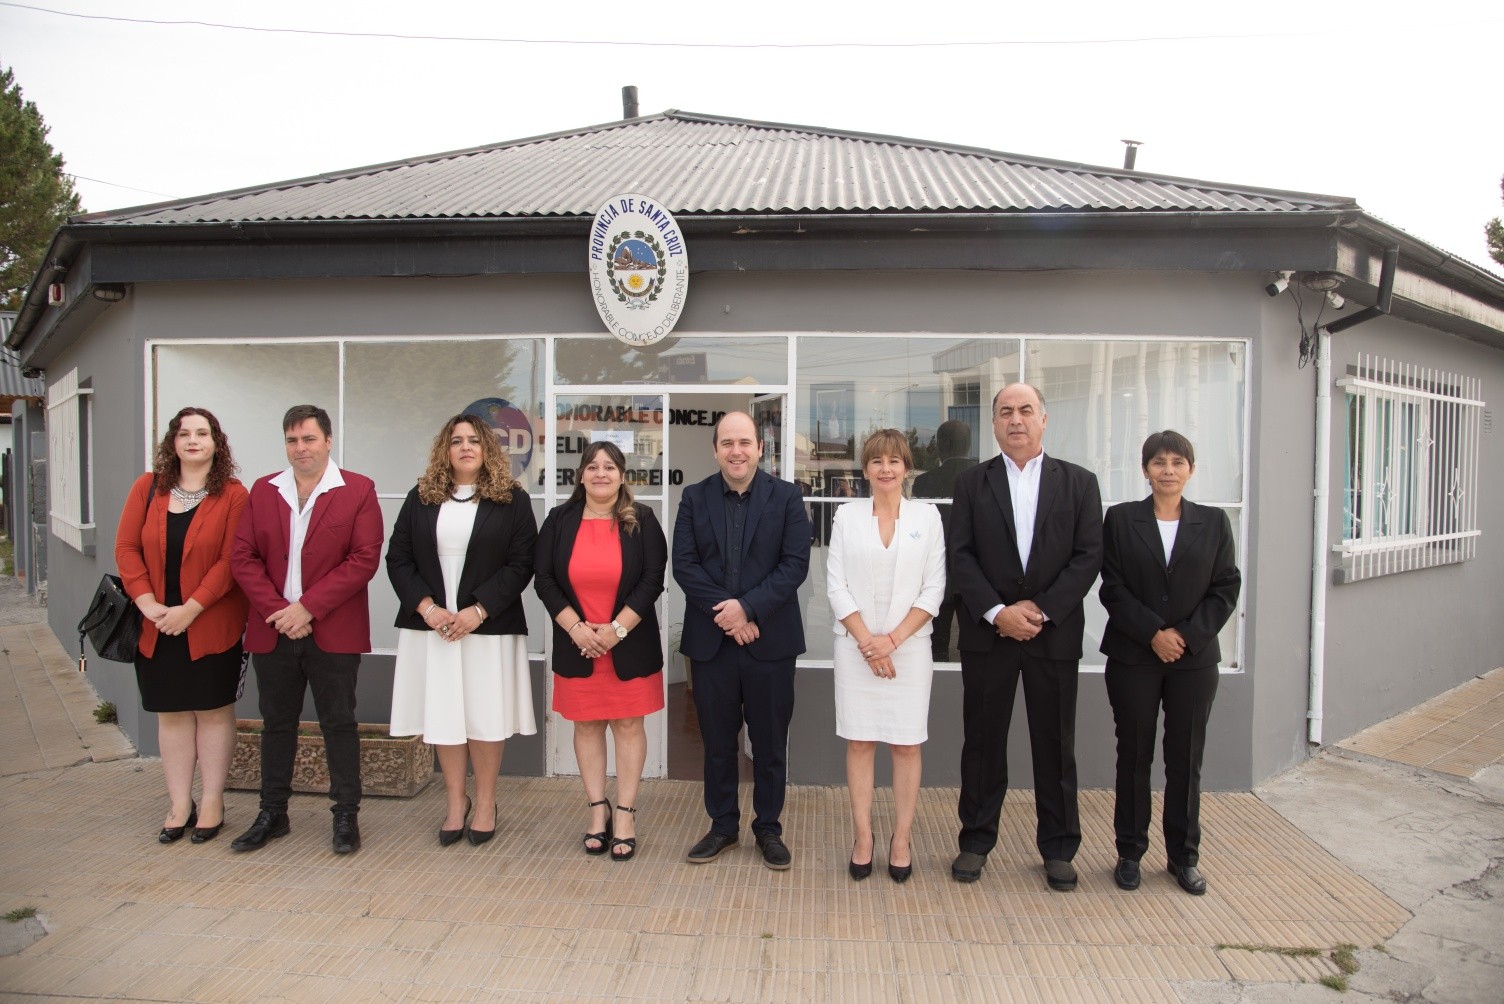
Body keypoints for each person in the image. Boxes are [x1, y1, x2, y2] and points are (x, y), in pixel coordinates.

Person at [949, 383, 1103, 892]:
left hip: (1050, 635)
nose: (1016, 420)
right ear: (993, 423)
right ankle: (975, 840)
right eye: (1005, 412)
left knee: (1056, 743)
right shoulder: (972, 483)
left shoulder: (1079, 483)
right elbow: (961, 556)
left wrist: (1039, 609)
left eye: (1025, 410)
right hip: (989, 635)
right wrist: (997, 612)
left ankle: (1059, 847)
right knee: (982, 742)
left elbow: (1088, 556)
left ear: (1044, 418)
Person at [229, 405, 383, 855]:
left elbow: (363, 559)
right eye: (293, 440)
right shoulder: (264, 490)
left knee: (339, 722)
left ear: (328, 441)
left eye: (309, 439)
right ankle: (272, 813)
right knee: (277, 724)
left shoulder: (357, 489)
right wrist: (279, 610)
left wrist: (308, 608)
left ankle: (345, 815)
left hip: (332, 630)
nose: (301, 448)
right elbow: (243, 557)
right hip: (274, 628)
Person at [1099, 431, 1241, 895]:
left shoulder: (1214, 522)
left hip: (1194, 661)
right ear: (1145, 470)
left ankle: (1183, 856)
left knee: (1186, 759)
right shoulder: (1121, 520)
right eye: (1158, 462)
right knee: (1134, 755)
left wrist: (1183, 636)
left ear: (1191, 470)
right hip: (1134, 656)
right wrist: (1153, 634)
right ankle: (1129, 852)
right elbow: (1112, 588)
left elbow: (1225, 588)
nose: (1168, 470)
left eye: (1178, 462)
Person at [387, 414, 538, 848]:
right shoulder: (420, 498)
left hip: (487, 629)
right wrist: (429, 609)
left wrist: (478, 610)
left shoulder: (512, 499)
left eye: (474, 440)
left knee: (484, 718)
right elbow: (397, 559)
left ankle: (487, 802)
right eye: (456, 440)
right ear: (444, 450)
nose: (465, 447)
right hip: (432, 629)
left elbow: (522, 563)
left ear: (488, 449)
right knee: (444, 716)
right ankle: (456, 802)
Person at [674, 411, 811, 870]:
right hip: (713, 644)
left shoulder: (788, 497)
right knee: (717, 742)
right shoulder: (694, 498)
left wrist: (748, 608)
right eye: (728, 443)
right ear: (715, 449)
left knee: (770, 745)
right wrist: (732, 616)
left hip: (770, 643)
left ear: (759, 448)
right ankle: (723, 827)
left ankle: (768, 830)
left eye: (745, 442)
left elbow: (794, 565)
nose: (736, 451)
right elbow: (685, 566)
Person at [115, 407, 250, 844]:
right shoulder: (147, 487)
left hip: (210, 623)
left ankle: (211, 800)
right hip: (155, 623)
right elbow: (126, 547)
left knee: (212, 711)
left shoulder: (233, 494)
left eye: (203, 433)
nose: (193, 440)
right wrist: (147, 601)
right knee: (171, 714)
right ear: (173, 442)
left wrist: (191, 608)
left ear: (217, 442)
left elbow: (233, 560)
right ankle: (178, 803)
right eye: (184, 433)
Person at [535, 442, 666, 861]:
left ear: (623, 475)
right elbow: (544, 580)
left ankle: (625, 813)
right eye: (592, 466)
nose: (601, 473)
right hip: (578, 645)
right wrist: (576, 629)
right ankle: (597, 810)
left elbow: (652, 580)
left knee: (628, 725)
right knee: (588, 726)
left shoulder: (642, 520)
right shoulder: (559, 520)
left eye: (610, 467)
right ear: (581, 476)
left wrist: (615, 631)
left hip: (627, 644)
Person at [826, 429, 946, 882]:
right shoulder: (845, 516)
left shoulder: (928, 516)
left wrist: (891, 641)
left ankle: (900, 837)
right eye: (877, 461)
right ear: (865, 470)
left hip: (909, 650)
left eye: (895, 461)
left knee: (905, 743)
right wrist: (867, 643)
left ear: (907, 468)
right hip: (856, 647)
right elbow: (835, 584)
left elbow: (934, 588)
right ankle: (863, 838)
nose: (886, 469)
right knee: (859, 742)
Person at [912, 419, 974, 661]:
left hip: (935, 568)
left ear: (941, 446)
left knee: (937, 645)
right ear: (968, 445)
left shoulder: (924, 482)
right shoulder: (983, 477)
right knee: (973, 645)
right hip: (975, 572)